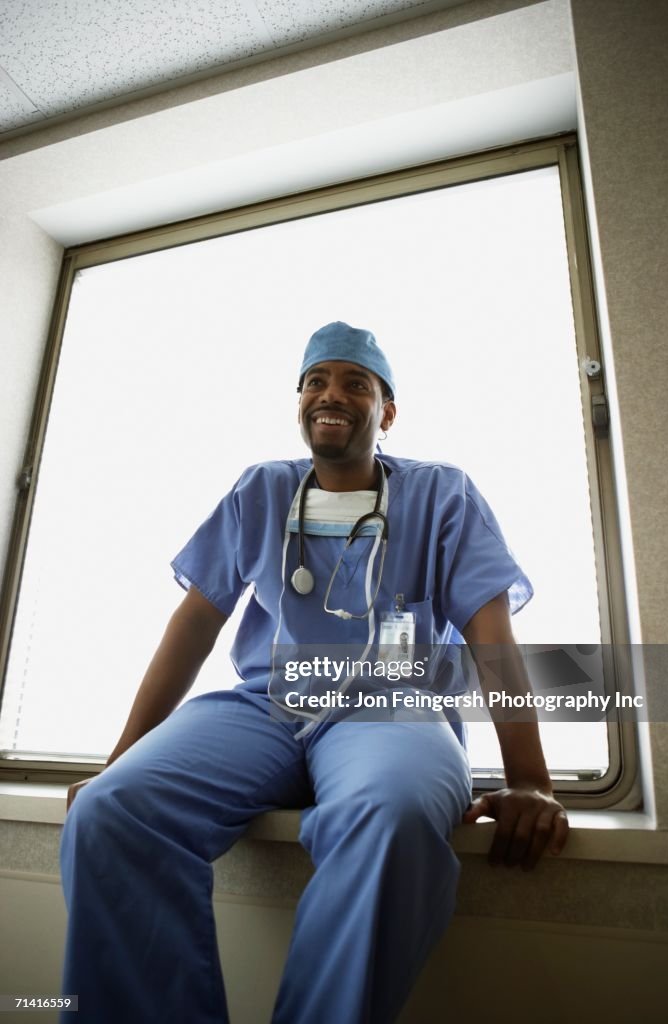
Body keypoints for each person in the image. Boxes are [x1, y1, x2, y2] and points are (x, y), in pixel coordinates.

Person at [60, 322, 568, 1024]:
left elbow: (493, 642)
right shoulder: (261, 491)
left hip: (390, 713)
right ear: (298, 402)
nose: (332, 395)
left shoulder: (441, 495)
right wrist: (121, 760)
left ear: (387, 412)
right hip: (265, 708)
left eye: (357, 384)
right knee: (111, 811)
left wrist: (531, 780)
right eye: (315, 382)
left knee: (392, 812)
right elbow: (194, 624)